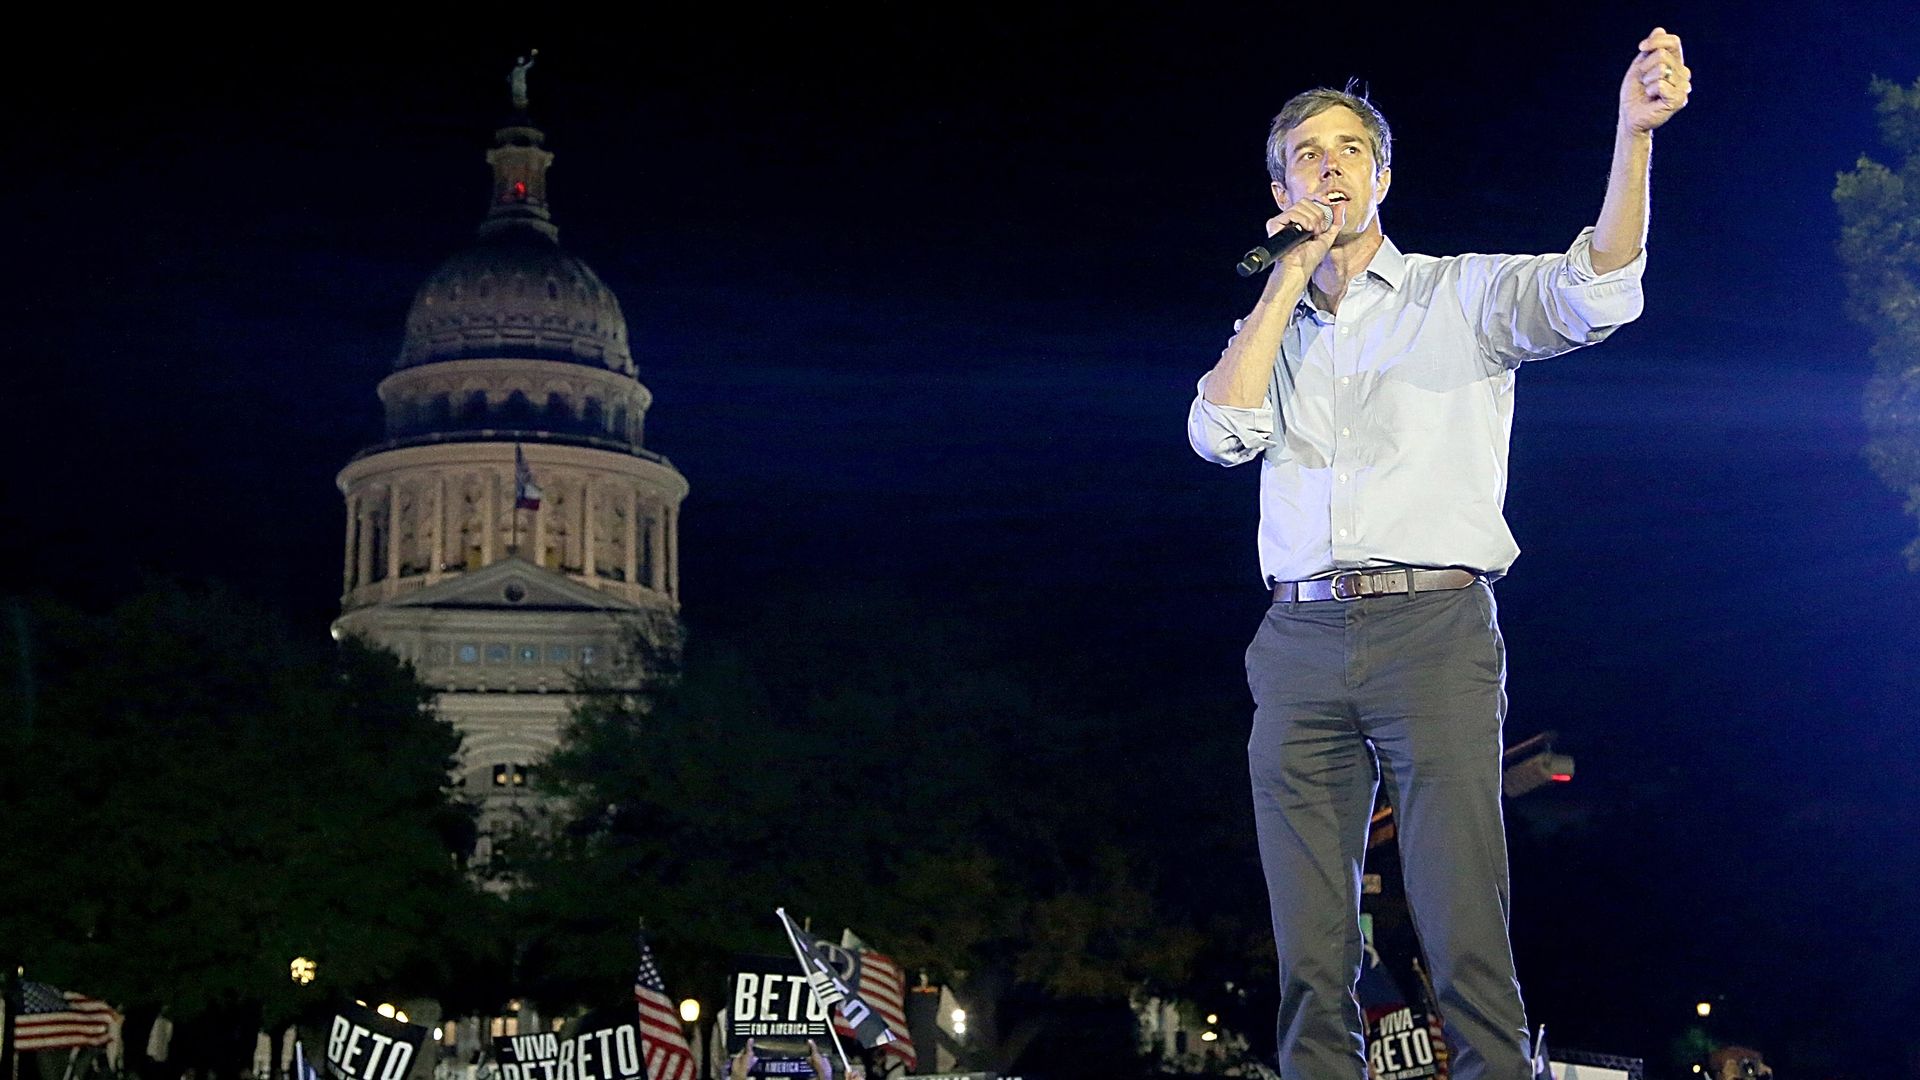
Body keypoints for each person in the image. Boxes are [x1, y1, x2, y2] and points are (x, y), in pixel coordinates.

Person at [1186, 29, 1691, 1080]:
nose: (1330, 167)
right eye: (1306, 156)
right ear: (1279, 186)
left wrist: (1631, 138)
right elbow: (1217, 434)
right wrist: (1286, 280)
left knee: (1462, 907)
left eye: (1348, 150)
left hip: (1435, 626)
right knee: (1309, 938)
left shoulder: (1458, 295)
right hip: (1298, 635)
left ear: (1383, 172)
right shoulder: (1269, 330)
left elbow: (1594, 287)